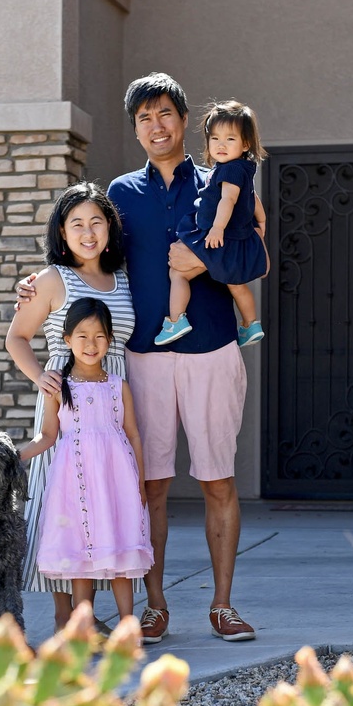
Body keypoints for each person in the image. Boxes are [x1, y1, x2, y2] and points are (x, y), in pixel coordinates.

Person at [107, 72, 256, 643]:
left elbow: (252, 258)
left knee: (218, 479)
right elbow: (92, 262)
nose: (156, 124)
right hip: (144, 354)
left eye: (164, 113)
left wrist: (205, 266)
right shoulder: (120, 195)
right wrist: (40, 285)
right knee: (151, 485)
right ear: (136, 128)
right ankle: (155, 604)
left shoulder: (224, 181)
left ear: (185, 119)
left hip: (212, 347)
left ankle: (222, 605)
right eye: (144, 117)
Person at [5, 181, 136, 632]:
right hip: (66, 399)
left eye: (96, 222)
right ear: (62, 232)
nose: (87, 231)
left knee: (103, 507)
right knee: (59, 505)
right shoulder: (50, 279)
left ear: (109, 228)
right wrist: (40, 376)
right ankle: (66, 616)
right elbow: (16, 337)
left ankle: (92, 615)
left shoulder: (123, 277)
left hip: (112, 394)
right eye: (76, 223)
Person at [18, 298, 153, 618]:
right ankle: (83, 629)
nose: (91, 344)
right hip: (74, 483)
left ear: (109, 339)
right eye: (82, 335)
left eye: (99, 336)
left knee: (121, 553)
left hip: (115, 480)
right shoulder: (56, 386)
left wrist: (141, 482)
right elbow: (48, 435)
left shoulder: (118, 386)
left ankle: (128, 627)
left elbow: (132, 434)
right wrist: (15, 455)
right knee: (80, 557)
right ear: (67, 340)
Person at [154, 100, 270, 348]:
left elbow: (228, 200)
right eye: (215, 138)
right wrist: (261, 219)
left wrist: (217, 228)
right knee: (236, 285)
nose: (220, 144)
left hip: (216, 237)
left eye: (230, 139)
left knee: (177, 273)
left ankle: (176, 320)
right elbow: (251, 197)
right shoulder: (242, 169)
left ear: (246, 143)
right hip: (233, 239)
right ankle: (251, 324)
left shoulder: (228, 171)